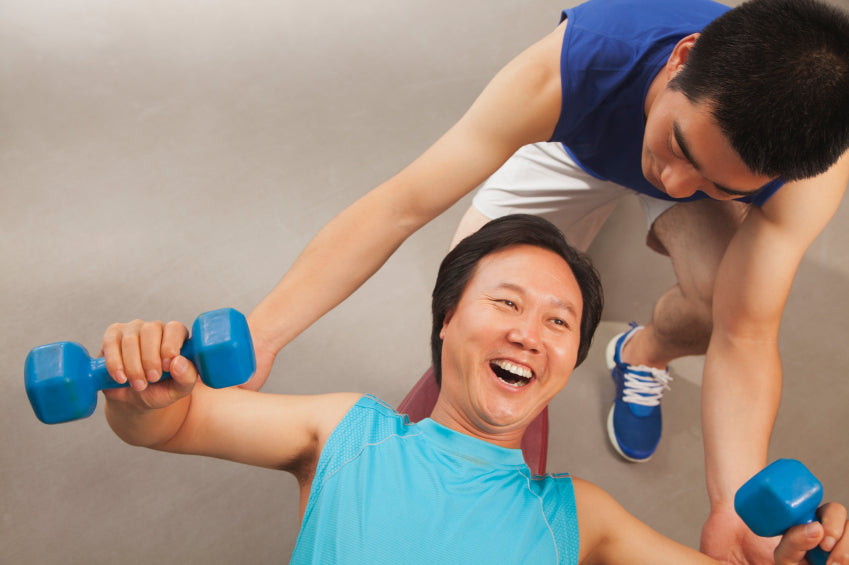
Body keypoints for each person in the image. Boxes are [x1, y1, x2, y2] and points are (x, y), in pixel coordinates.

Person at [109, 0, 848, 562]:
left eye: (713, 181)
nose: (673, 181)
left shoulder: (797, 171)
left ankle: (640, 354)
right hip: (579, 144)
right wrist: (266, 332)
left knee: (718, 308)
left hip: (703, 154)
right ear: (680, 58)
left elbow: (746, 332)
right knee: (481, 289)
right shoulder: (574, 64)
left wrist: (730, 500)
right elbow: (400, 206)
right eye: (677, 148)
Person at [99, 215, 847, 565]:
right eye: (507, 303)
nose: (531, 331)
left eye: (560, 321)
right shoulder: (342, 432)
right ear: (447, 319)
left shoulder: (581, 517)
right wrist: (147, 390)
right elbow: (170, 422)